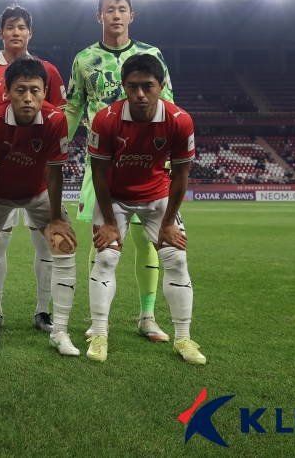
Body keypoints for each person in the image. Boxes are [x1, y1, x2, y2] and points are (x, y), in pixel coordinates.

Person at [64, 0, 176, 342]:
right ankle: (99, 321)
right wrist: (57, 148)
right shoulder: (85, 59)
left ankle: (147, 316)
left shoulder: (152, 55)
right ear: (99, 16)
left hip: (146, 162)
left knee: (147, 240)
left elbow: (168, 103)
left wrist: (170, 153)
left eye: (122, 9)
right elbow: (73, 107)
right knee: (102, 239)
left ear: (131, 15)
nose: (116, 15)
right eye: (109, 9)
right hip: (102, 160)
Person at [85, 54, 204, 364]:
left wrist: (168, 223)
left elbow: (181, 175)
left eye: (148, 86)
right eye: (132, 86)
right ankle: (99, 334)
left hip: (157, 196)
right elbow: (99, 174)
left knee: (176, 258)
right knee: (106, 256)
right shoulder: (106, 119)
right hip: (114, 197)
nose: (140, 94)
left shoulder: (179, 120)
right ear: (124, 86)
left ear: (160, 86)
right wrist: (109, 222)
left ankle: (183, 338)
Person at [0, 4, 66, 333]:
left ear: (29, 33)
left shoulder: (47, 70)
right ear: (1, 33)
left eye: (22, 27)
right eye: (10, 26)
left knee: (47, 244)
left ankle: (43, 312)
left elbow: (55, 115)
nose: (16, 32)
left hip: (36, 174)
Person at [0, 57, 78, 355]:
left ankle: (60, 331)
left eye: (34, 90)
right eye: (20, 90)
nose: (28, 98)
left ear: (45, 92)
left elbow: (55, 173)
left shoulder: (56, 119)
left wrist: (56, 218)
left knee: (63, 243)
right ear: (7, 92)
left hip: (37, 191)